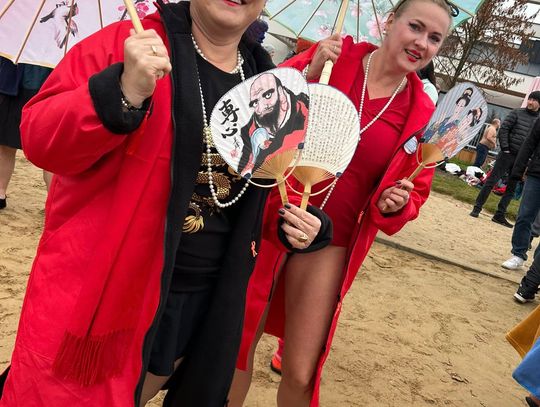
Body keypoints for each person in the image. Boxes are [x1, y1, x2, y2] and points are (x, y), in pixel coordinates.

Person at [0, 1, 332, 406]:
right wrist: (122, 92)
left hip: (204, 302)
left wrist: (290, 224)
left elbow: (245, 194)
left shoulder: (267, 84)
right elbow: (39, 138)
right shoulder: (130, 46)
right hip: (107, 293)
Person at [228, 0, 453, 405]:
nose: (422, 43)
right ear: (389, 21)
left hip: (332, 242)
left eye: (434, 38)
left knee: (301, 370)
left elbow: (416, 189)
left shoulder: (422, 113)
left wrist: (395, 204)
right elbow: (259, 107)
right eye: (415, 27)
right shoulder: (334, 56)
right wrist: (306, 73)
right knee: (236, 347)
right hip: (274, 218)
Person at [470, 92, 540, 227]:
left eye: (534, 100)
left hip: (522, 159)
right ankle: (477, 208)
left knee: (512, 187)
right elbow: (504, 130)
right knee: (491, 181)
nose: (530, 102)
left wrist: (529, 159)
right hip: (507, 154)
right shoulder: (516, 112)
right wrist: (505, 148)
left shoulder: (538, 120)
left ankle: (499, 215)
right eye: (529, 99)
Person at [0, 57, 52, 209]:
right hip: (16, 83)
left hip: (49, 90)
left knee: (52, 151)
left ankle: (54, 201)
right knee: (5, 143)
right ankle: (1, 192)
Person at [238, 72, 309, 176]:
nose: (262, 107)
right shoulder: (249, 134)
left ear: (280, 91)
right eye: (255, 102)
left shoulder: (306, 108)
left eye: (267, 95)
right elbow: (244, 171)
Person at [500, 118, 540, 270]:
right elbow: (529, 143)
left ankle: (537, 265)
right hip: (537, 173)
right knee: (525, 215)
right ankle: (518, 254)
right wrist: (518, 169)